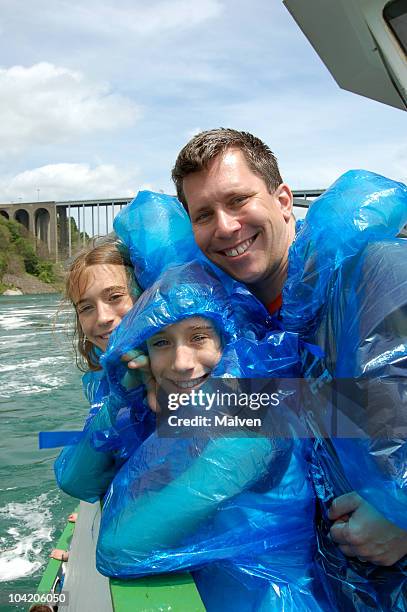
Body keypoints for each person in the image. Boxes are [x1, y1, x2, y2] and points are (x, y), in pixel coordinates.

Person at [171, 128, 407, 609]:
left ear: (282, 199)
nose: (226, 226)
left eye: (238, 200)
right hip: (337, 580)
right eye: (203, 215)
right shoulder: (234, 322)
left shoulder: (375, 274)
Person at [97, 259, 324, 611]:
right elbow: (77, 480)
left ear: (229, 341)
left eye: (199, 337)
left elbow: (117, 548)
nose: (182, 362)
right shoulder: (213, 410)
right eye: (161, 343)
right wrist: (124, 395)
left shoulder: (250, 431)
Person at [54, 239, 154, 502]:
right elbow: (74, 481)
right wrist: (118, 403)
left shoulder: (195, 360)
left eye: (115, 297)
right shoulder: (108, 379)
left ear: (145, 293)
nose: (102, 317)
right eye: (86, 307)